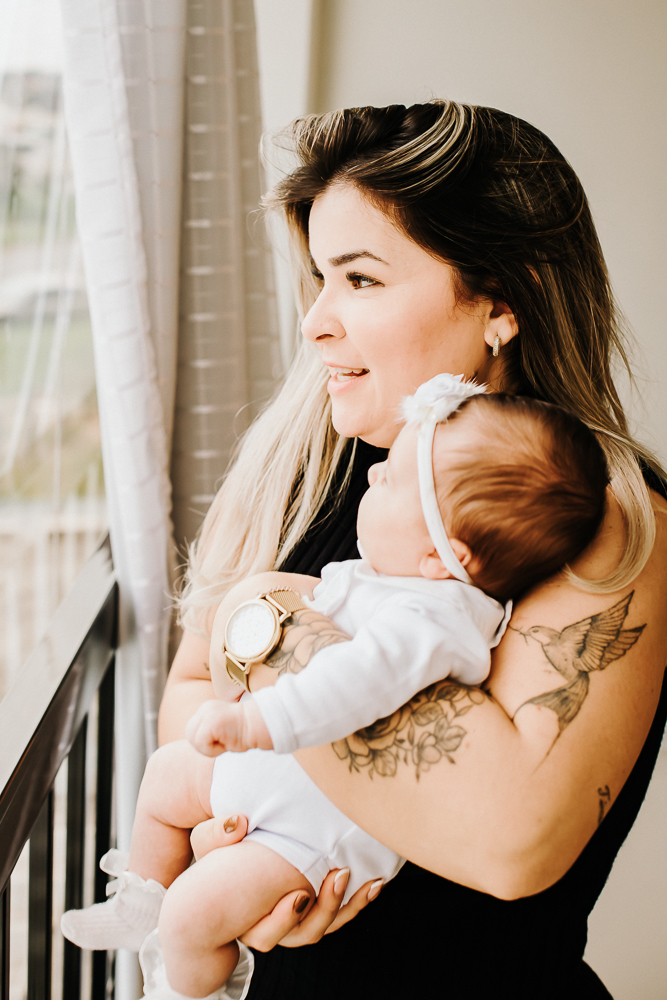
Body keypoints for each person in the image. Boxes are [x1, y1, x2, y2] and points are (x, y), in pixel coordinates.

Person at [158, 101, 667, 998]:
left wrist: (265, 613)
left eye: (360, 279)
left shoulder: (607, 520)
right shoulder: (296, 463)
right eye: (319, 278)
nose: (315, 322)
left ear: (502, 302)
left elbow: (507, 840)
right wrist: (230, 826)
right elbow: (192, 690)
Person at [62, 376, 609, 1000]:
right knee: (166, 776)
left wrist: (253, 719)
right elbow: (201, 673)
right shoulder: (393, 572)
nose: (376, 474)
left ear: (442, 558)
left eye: (393, 479)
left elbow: (354, 682)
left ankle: (184, 988)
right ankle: (141, 903)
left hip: (310, 833)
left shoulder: (433, 620)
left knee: (192, 917)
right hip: (274, 780)